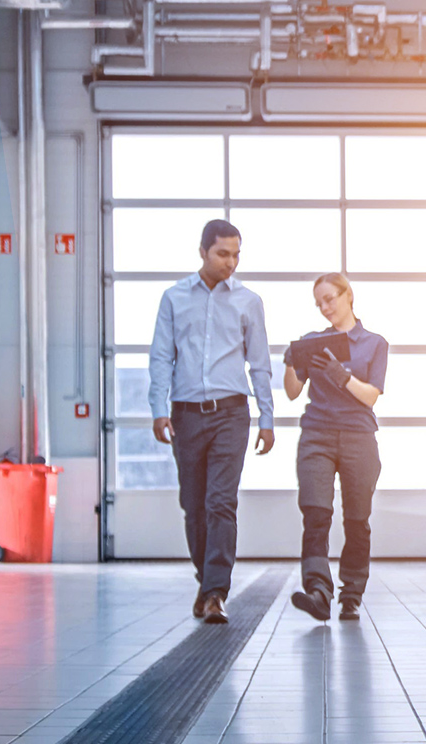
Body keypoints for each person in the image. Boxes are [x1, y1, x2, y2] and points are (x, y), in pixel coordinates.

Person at [149, 219, 275, 625]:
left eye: (237, 254)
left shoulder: (248, 301)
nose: (231, 262)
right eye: (223, 253)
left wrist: (267, 418)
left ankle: (217, 592)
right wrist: (158, 408)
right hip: (186, 414)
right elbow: (160, 357)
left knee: (222, 502)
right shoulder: (173, 298)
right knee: (194, 505)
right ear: (203, 251)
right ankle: (206, 584)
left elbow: (260, 364)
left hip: (232, 414)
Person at [283, 273, 387, 622]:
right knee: (316, 514)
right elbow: (293, 391)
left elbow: (371, 395)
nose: (325, 307)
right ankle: (318, 591)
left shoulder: (374, 343)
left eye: (330, 299)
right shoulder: (313, 342)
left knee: (357, 520)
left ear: (348, 295)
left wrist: (341, 376)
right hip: (317, 435)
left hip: (359, 436)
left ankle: (351, 595)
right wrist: (292, 362)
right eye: (319, 303)